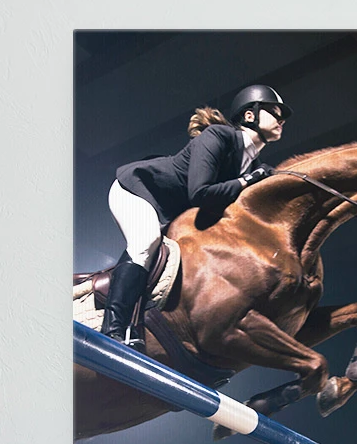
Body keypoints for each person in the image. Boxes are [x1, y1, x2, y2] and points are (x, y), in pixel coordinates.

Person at [99, 84, 292, 340]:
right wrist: (248, 181)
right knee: (145, 243)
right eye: (275, 112)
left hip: (170, 212)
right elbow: (200, 193)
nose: (281, 120)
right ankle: (111, 330)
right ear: (250, 115)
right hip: (139, 189)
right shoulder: (218, 136)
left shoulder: (251, 165)